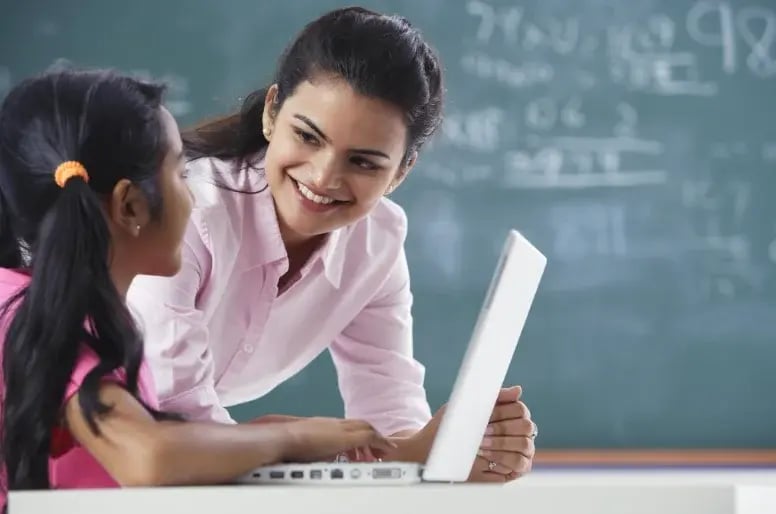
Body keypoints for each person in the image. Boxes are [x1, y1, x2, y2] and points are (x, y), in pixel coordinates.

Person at [127, 6, 537, 481]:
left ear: (400, 172)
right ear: (271, 111)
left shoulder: (376, 243)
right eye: (307, 136)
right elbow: (178, 425)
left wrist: (455, 451)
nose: (323, 177)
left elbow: (390, 406)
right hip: (55, 445)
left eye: (363, 163)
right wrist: (305, 445)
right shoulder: (190, 214)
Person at [0, 69, 393, 504]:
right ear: (130, 206)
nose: (194, 196)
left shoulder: (47, 308)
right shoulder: (46, 321)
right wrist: (292, 437)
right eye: (182, 174)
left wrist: (255, 440)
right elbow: (150, 456)